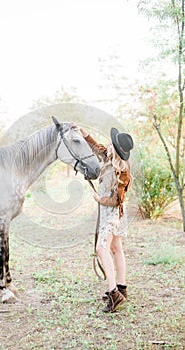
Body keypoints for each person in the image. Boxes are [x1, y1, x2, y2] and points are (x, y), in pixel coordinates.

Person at [78, 125, 134, 313]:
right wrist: (84, 134)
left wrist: (99, 199)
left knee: (101, 249)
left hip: (112, 213)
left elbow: (117, 200)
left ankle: (113, 294)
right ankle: (122, 287)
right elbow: (97, 148)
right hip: (114, 213)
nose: (107, 146)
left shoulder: (121, 171)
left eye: (111, 144)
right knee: (116, 248)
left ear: (116, 150)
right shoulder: (110, 159)